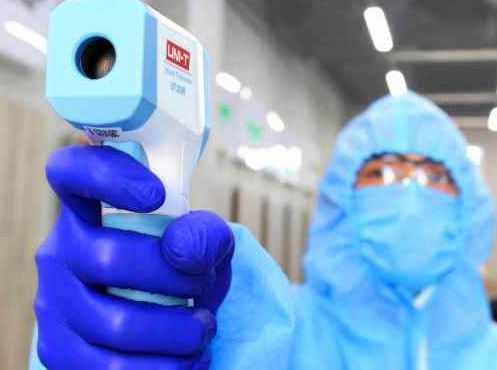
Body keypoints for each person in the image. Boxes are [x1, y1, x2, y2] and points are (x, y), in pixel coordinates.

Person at [30, 91, 497, 369]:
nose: (411, 195)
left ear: (470, 208)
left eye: (435, 176)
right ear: (341, 200)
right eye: (384, 173)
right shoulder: (262, 323)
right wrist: (124, 307)